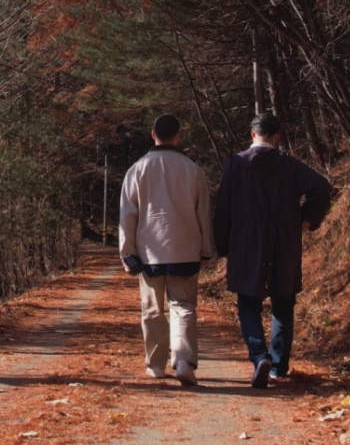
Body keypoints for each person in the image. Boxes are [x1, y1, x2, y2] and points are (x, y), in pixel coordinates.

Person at [214, 113, 334, 388]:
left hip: (246, 242)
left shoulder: (236, 164)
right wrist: (307, 218)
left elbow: (224, 208)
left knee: (248, 302)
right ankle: (278, 367)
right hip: (283, 240)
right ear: (277, 136)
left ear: (252, 133)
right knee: (283, 302)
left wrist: (222, 244)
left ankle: (259, 356)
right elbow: (321, 187)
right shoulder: (289, 165)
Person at [119, 114, 214, 386]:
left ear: (153, 134)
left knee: (152, 310)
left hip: (149, 253)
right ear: (178, 136)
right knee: (183, 307)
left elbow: (128, 214)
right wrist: (206, 250)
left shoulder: (137, 169)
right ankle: (183, 361)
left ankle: (156, 365)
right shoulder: (192, 169)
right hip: (185, 249)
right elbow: (203, 213)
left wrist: (127, 252)